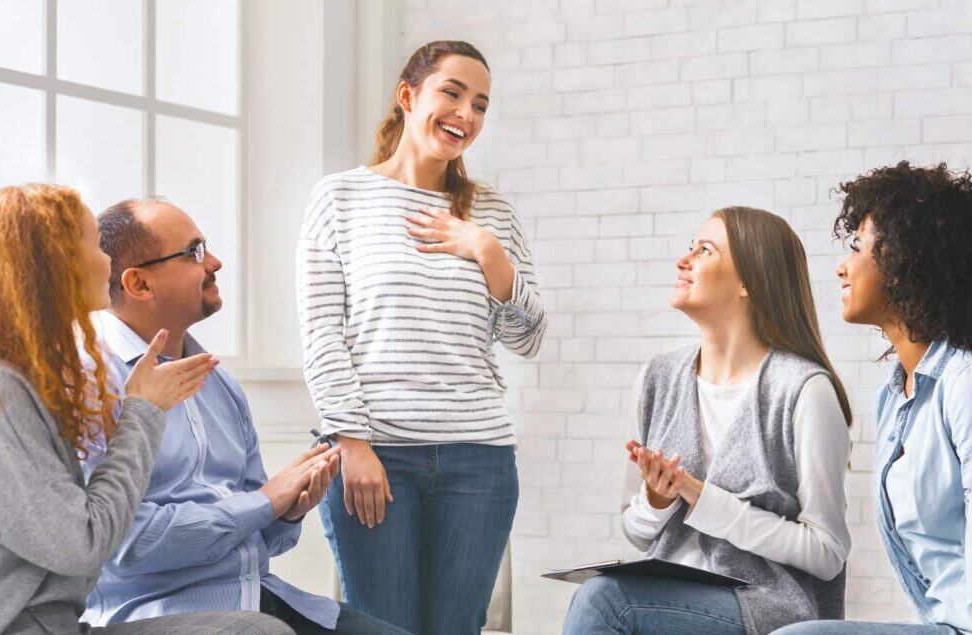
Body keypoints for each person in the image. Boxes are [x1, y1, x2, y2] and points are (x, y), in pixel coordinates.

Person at [0, 184, 290, 634]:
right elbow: (84, 545)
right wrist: (143, 411)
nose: (107, 260)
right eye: (91, 244)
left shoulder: (21, 377)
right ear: (48, 264)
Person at [296, 40, 547, 633]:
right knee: (381, 626)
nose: (467, 115)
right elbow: (322, 335)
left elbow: (528, 337)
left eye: (481, 105)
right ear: (409, 97)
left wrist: (486, 252)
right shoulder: (340, 198)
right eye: (452, 93)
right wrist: (351, 441)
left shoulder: (493, 213)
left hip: (479, 462)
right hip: (376, 457)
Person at [82, 198, 408, 635]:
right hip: (158, 614)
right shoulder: (88, 384)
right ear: (139, 283)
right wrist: (266, 502)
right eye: (193, 252)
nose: (214, 262)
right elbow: (126, 545)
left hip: (259, 594)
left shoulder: (221, 386)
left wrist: (289, 508)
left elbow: (259, 540)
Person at [563, 207, 852, 635]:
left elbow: (827, 553)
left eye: (705, 250)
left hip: (765, 605)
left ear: (747, 283)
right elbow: (637, 532)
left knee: (606, 599)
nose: (684, 261)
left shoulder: (803, 390)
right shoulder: (657, 377)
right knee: (606, 594)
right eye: (689, 248)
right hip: (668, 598)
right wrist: (658, 501)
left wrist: (706, 501)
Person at [773, 163, 972, 635]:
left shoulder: (962, 384)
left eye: (858, 248)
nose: (842, 266)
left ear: (906, 262)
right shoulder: (895, 396)